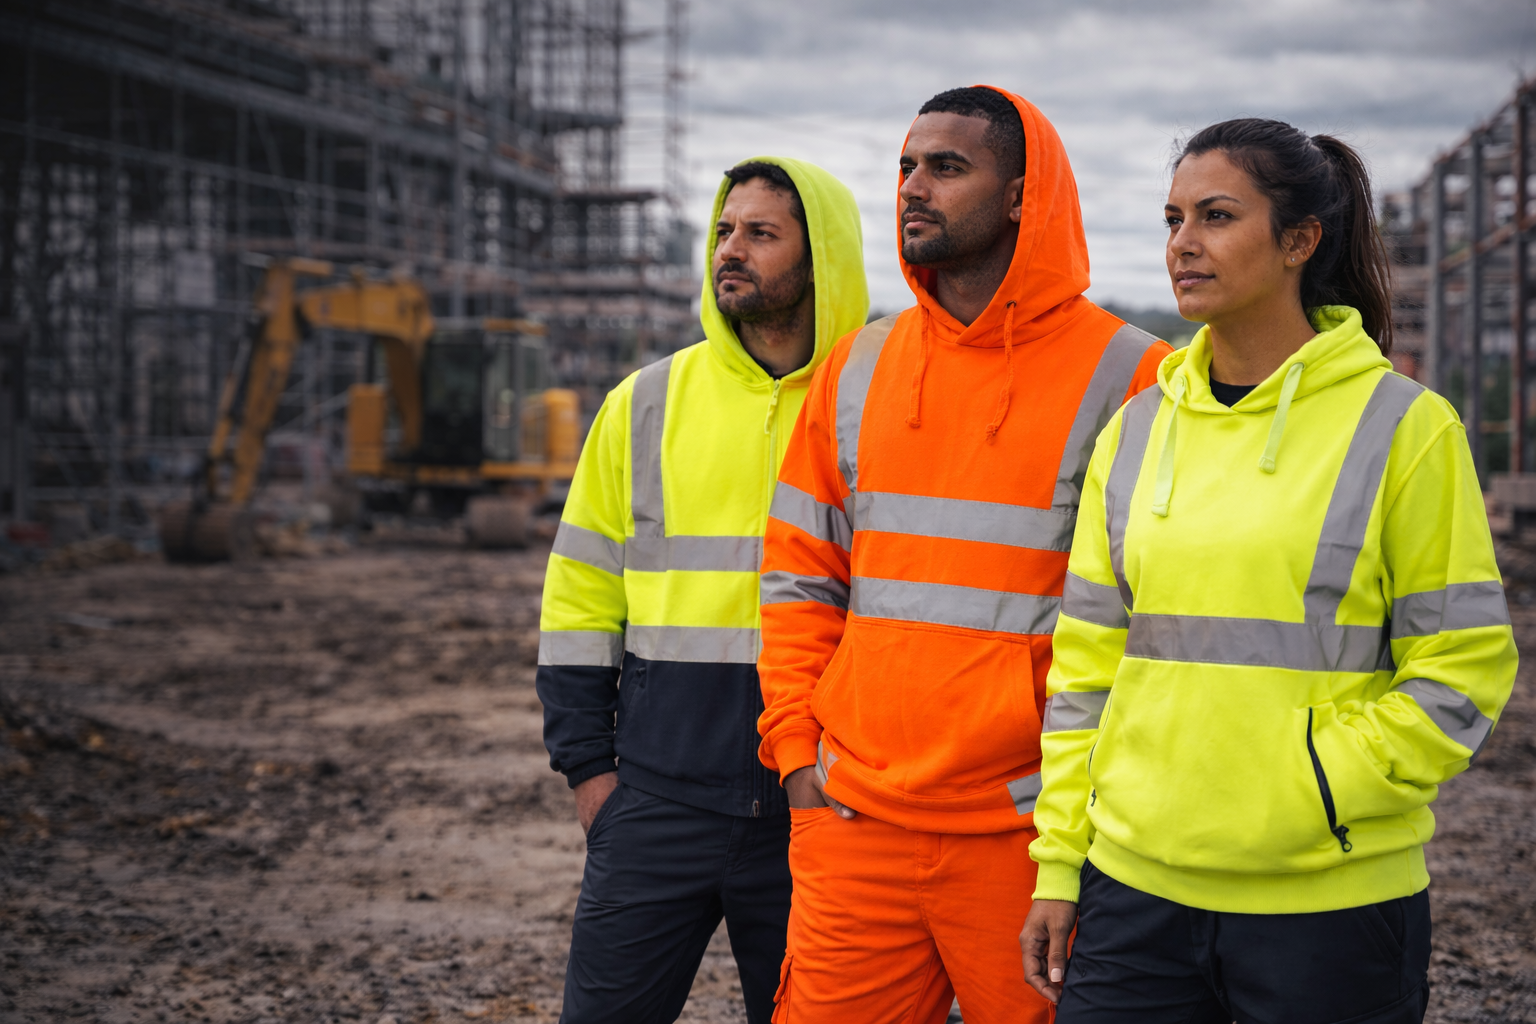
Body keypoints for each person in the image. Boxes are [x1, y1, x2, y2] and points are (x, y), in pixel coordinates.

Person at [1021, 118, 1518, 1024]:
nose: (1183, 244)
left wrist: (1315, 789)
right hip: (1134, 899)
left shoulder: (1406, 429)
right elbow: (1086, 670)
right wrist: (1061, 862)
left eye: (1216, 216)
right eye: (1173, 219)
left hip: (1327, 910)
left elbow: (1464, 669)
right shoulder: (1134, 436)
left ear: (1300, 241)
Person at [757, 86, 1171, 1024]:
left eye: (947, 168)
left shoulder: (1134, 377)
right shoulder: (858, 367)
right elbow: (796, 579)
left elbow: (1153, 617)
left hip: (1026, 838)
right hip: (855, 820)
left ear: (1024, 197)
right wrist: (797, 758)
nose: (914, 187)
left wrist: (1080, 816)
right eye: (907, 166)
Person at [537, 157, 868, 1024]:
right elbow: (578, 602)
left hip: (821, 809)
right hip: (655, 801)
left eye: (761, 234)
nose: (733, 250)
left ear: (821, 256)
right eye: (725, 231)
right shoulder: (643, 403)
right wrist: (590, 773)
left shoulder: (875, 402)